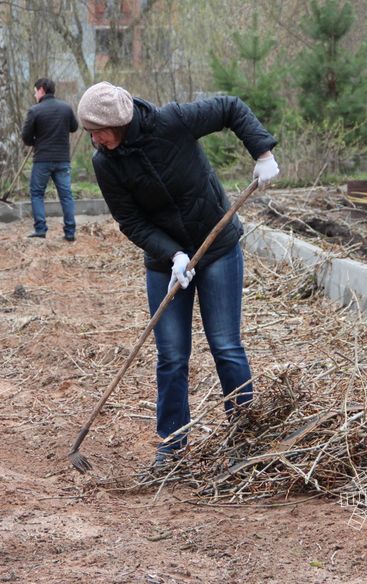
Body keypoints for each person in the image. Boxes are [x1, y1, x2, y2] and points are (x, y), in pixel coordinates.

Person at [77, 82, 280, 466]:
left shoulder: (172, 122)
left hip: (217, 247)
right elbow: (130, 221)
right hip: (166, 263)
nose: (94, 140)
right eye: (90, 133)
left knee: (225, 345)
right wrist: (173, 255)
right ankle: (172, 444)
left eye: (98, 131)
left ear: (118, 123)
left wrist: (263, 152)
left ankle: (246, 437)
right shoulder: (105, 163)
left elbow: (230, 107)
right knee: (171, 356)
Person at [21, 78, 79, 240]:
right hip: (62, 159)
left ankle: (40, 229)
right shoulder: (66, 108)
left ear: (41, 90)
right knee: (66, 195)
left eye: (35, 91)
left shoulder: (35, 111)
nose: (34, 95)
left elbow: (25, 137)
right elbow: (74, 127)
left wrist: (35, 141)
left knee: (37, 193)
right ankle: (70, 232)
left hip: (42, 160)